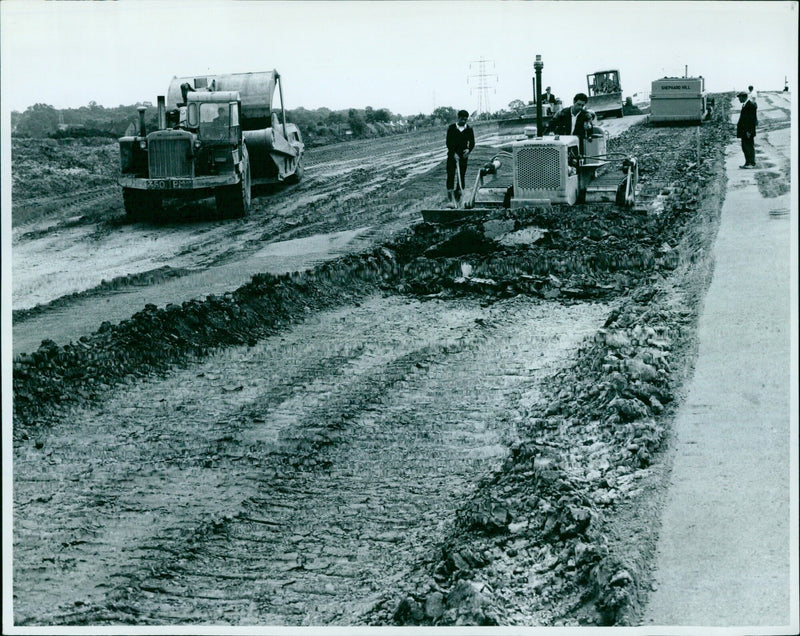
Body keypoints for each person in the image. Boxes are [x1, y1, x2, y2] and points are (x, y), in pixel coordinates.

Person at [445, 109, 475, 207]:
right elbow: (448, 142)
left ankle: (459, 197)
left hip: (463, 156)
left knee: (461, 176)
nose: (463, 121)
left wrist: (468, 150)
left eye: (465, 120)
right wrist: (453, 153)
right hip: (452, 156)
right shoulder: (451, 128)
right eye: (462, 119)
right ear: (458, 118)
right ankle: (450, 198)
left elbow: (472, 143)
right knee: (451, 175)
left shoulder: (469, 129)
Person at [736, 90, 757, 168]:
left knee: (748, 146)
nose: (739, 99)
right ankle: (747, 162)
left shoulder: (750, 105)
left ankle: (751, 163)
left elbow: (752, 120)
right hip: (745, 131)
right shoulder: (746, 105)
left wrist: (749, 131)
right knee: (745, 146)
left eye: (740, 97)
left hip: (747, 131)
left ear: (744, 97)